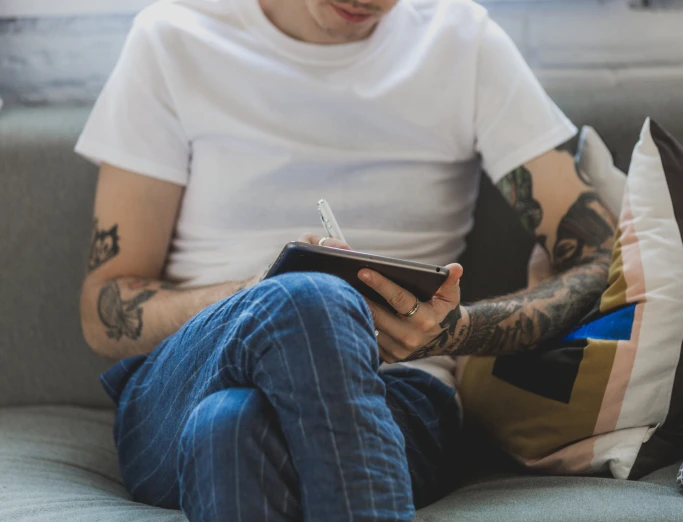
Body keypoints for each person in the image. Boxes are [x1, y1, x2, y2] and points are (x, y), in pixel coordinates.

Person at [76, 0, 616, 520]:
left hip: (397, 393)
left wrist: (456, 330)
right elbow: (105, 310)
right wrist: (260, 298)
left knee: (229, 429)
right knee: (309, 297)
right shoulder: (173, 37)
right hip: (188, 382)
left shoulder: (463, 41)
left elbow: (597, 259)